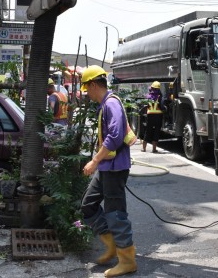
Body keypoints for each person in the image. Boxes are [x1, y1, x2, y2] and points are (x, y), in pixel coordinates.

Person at [80, 65, 138, 277]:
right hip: (106, 167)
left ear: (94, 85)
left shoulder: (111, 104)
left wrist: (94, 161)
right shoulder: (106, 104)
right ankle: (113, 245)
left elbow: (114, 136)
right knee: (88, 205)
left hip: (114, 168)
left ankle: (127, 260)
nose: (87, 94)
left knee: (116, 214)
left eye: (87, 89)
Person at [142, 81, 164, 153]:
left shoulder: (148, 96)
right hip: (158, 117)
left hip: (150, 116)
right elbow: (162, 106)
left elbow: (145, 106)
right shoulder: (160, 97)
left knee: (148, 131)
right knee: (156, 132)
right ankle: (154, 149)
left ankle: (144, 149)